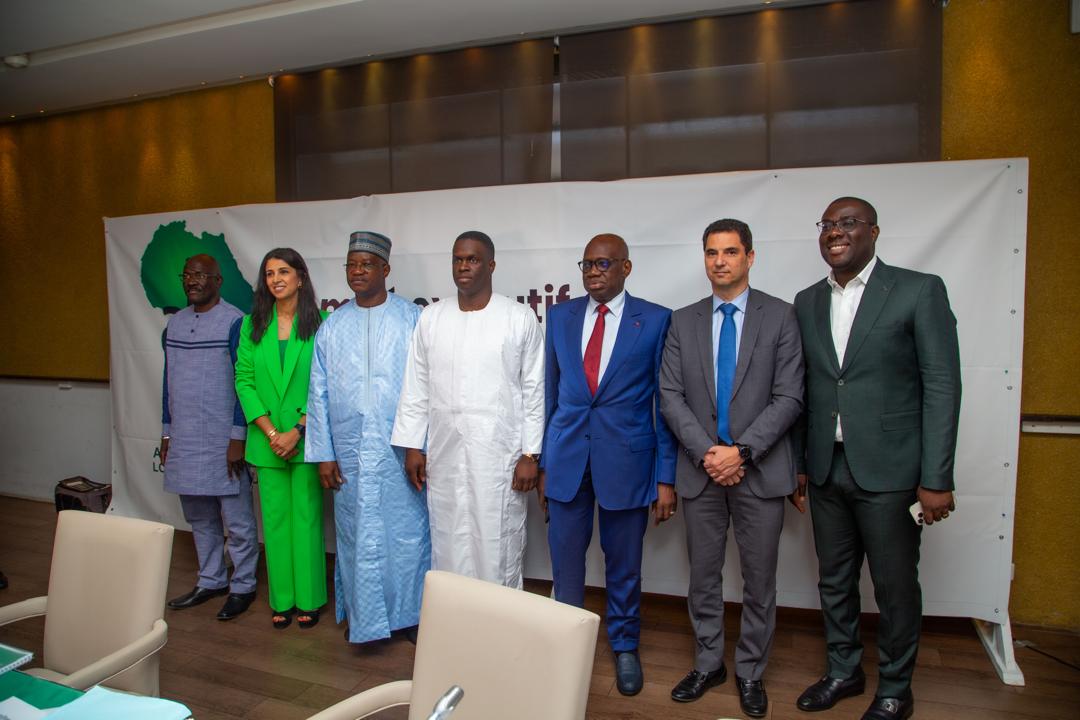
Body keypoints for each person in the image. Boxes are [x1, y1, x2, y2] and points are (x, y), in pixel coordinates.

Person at [792, 197, 960, 720]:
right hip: (825, 467)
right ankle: (844, 671)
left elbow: (942, 385)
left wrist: (936, 477)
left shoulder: (917, 289)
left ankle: (895, 687)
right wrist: (799, 463)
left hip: (892, 473)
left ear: (874, 231)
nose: (835, 232)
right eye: (827, 225)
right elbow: (805, 390)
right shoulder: (806, 301)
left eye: (847, 223)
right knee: (834, 580)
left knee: (893, 585)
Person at [658, 219, 804, 717]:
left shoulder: (781, 317)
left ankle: (750, 671)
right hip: (701, 471)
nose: (720, 261)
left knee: (759, 580)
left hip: (758, 471)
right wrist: (709, 454)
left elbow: (789, 398)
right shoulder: (682, 321)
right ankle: (707, 663)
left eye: (731, 252)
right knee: (703, 576)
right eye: (711, 252)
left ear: (750, 257)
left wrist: (740, 452)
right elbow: (671, 397)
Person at [541, 233, 676, 696]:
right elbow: (551, 396)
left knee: (624, 566)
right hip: (567, 463)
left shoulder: (656, 321)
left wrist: (665, 476)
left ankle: (624, 646)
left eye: (603, 264)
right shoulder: (559, 316)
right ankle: (564, 646)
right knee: (566, 565)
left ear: (626, 268)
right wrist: (544, 462)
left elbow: (666, 404)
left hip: (628, 464)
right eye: (586, 265)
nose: (594, 272)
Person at [391, 230, 544, 589]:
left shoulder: (518, 317)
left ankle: (499, 634)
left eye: (473, 259)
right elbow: (417, 384)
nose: (464, 266)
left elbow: (535, 390)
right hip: (444, 455)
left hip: (499, 458)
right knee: (448, 542)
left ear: (490, 265)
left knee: (497, 544)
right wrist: (413, 445)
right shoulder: (432, 316)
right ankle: (455, 630)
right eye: (458, 259)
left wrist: (530, 455)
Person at [305, 231, 430, 644]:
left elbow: (427, 384)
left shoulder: (412, 318)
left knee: (408, 536)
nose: (357, 272)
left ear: (385, 270)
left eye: (366, 264)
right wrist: (324, 454)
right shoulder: (333, 326)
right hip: (351, 455)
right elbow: (317, 394)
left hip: (400, 455)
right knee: (356, 535)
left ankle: (410, 618)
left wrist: (419, 445)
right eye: (351, 265)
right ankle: (366, 619)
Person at [161, 254, 259, 621]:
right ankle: (211, 579)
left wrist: (238, 436)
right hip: (185, 436)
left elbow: (245, 384)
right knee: (199, 516)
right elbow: (167, 383)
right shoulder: (174, 325)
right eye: (188, 274)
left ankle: (244, 585)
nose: (193, 281)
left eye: (202, 275)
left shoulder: (235, 323)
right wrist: (167, 431)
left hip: (223, 438)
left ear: (217, 281)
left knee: (237, 520)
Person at [235, 248, 328, 630]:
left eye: (284, 271)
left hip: (306, 439)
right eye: (269, 273)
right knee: (273, 522)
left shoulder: (321, 323)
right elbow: (244, 380)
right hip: (267, 441)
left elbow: (325, 384)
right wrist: (273, 433)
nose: (276, 279)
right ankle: (282, 600)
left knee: (306, 520)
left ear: (301, 278)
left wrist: (298, 430)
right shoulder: (251, 325)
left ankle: (309, 599)